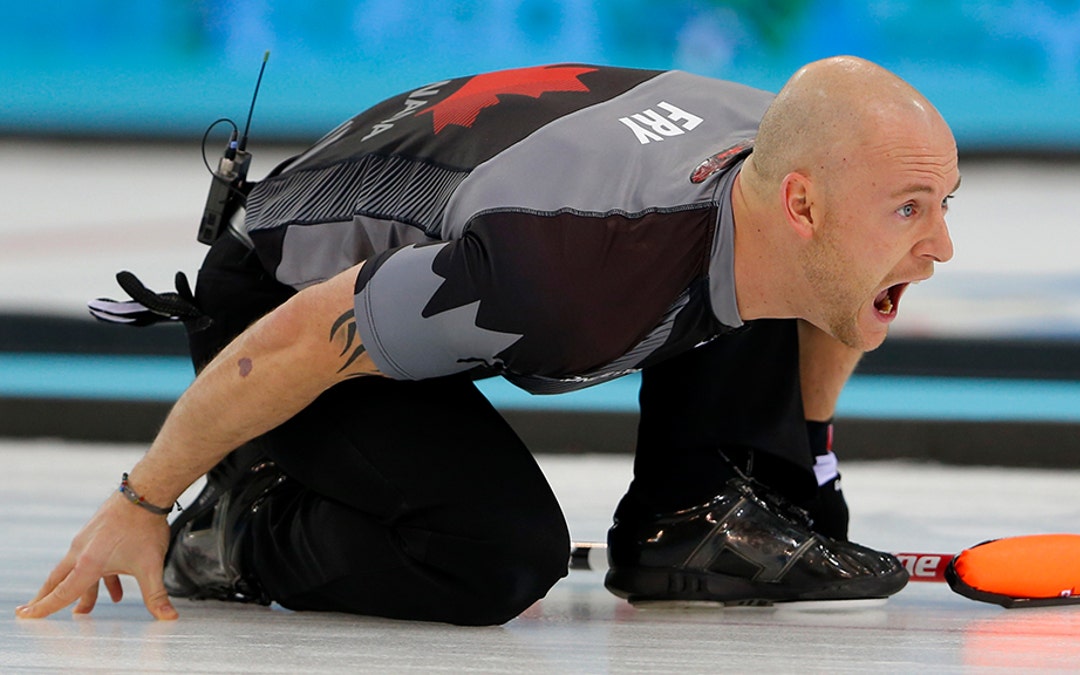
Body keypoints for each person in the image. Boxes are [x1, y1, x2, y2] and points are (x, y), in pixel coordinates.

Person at [16, 55, 958, 625]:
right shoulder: (559, 269)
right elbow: (302, 339)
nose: (940, 245)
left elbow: (846, 294)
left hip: (537, 222)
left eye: (941, 205)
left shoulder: (802, 160)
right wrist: (143, 499)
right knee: (493, 556)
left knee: (797, 272)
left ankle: (692, 520)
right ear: (801, 197)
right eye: (913, 210)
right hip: (277, 298)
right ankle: (246, 526)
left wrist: (810, 475)